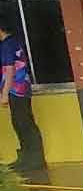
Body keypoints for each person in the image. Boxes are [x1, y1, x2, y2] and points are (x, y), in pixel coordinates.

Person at [0, 17, 44, 171]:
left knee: (22, 124)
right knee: (22, 123)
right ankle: (27, 158)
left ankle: (34, 160)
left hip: (16, 90)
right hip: (21, 90)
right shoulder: (12, 42)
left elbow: (9, 70)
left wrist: (4, 94)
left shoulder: (6, 45)